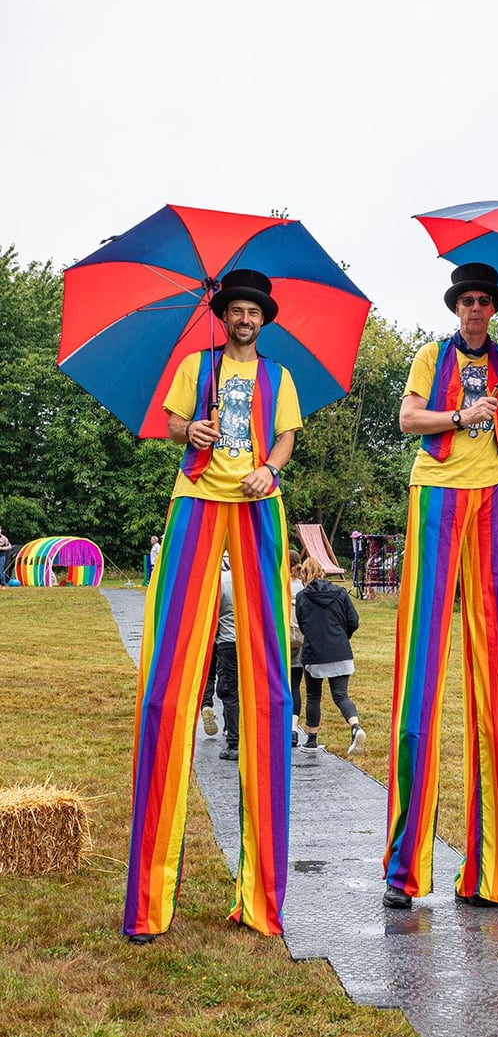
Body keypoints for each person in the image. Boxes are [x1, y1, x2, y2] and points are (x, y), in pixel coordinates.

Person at [382, 261, 498, 910]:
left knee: (492, 671)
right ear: (455, 307)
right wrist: (461, 415)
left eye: (484, 302)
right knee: (421, 671)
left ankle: (488, 875)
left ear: (495, 310)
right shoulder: (429, 356)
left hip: (494, 495)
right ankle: (403, 874)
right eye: (467, 300)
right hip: (435, 494)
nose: (475, 310)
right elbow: (408, 421)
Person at [123, 268, 302, 943]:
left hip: (258, 506)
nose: (246, 319)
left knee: (266, 677)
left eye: (255, 311)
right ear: (223, 315)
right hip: (196, 501)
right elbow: (169, 422)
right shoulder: (195, 365)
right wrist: (188, 432)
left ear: (264, 319)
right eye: (237, 310)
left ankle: (259, 897)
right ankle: (149, 900)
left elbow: (285, 437)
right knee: (168, 679)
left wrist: (272, 468)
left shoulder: (279, 377)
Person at [295, 556, 366, 755]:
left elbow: (303, 625)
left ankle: (311, 739)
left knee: (313, 696)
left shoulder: (302, 597)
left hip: (314, 653)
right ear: (323, 571)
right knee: (341, 695)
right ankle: (355, 727)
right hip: (340, 650)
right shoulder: (341, 593)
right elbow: (353, 620)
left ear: (304, 575)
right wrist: (343, 637)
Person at [214, 553, 239, 761]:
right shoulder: (253, 577)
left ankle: (234, 742)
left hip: (228, 642)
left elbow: (215, 612)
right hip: (252, 643)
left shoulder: (223, 581)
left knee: (229, 692)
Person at [288, 549, 304, 748]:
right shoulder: (303, 588)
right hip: (300, 641)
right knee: (295, 686)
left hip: (280, 641)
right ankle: (293, 728)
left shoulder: (278, 586)